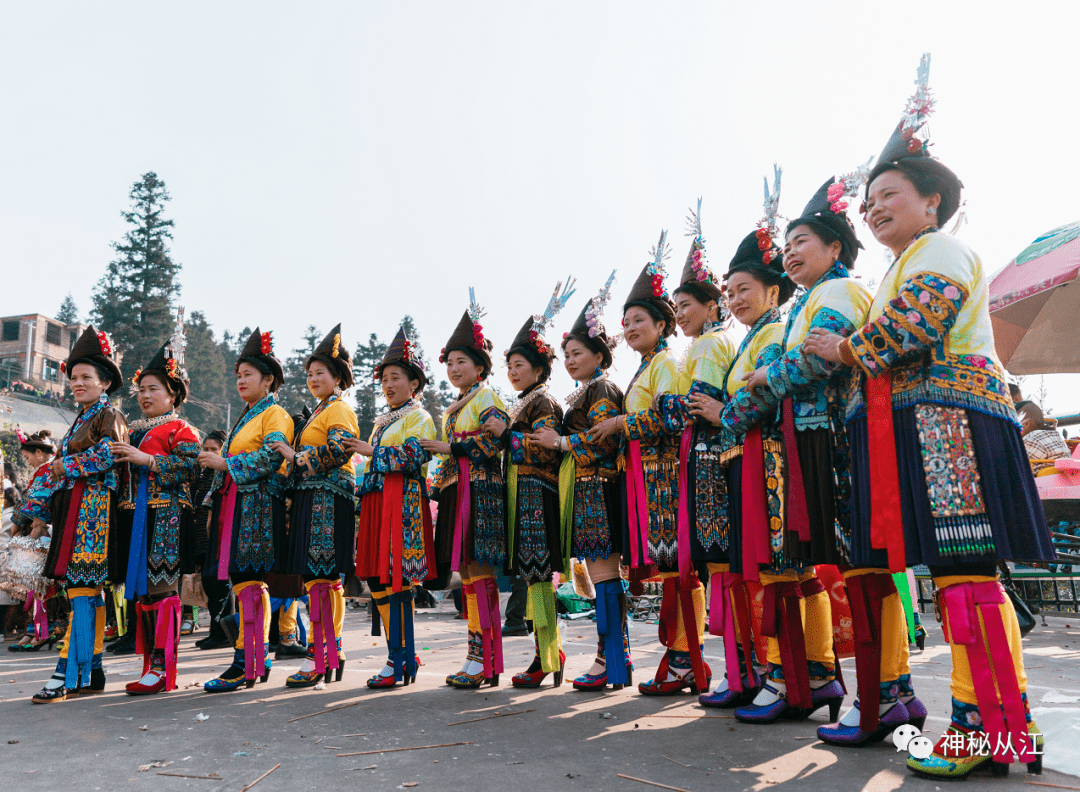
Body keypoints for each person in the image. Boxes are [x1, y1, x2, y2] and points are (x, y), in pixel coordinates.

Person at [802, 54, 1055, 779]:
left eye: (889, 195)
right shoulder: (904, 260)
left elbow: (910, 329)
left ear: (932, 202)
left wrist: (844, 347)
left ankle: (991, 728)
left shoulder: (937, 250)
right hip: (932, 426)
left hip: (951, 427)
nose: (874, 207)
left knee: (965, 574)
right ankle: (997, 723)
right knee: (959, 575)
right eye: (869, 201)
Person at [725, 167, 878, 731]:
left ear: (835, 246)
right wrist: (759, 386)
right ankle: (819, 679)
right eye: (786, 245)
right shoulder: (806, 305)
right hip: (804, 444)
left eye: (801, 242)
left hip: (834, 439)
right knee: (821, 565)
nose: (790, 254)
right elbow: (792, 367)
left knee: (853, 566)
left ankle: (867, 688)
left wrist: (762, 382)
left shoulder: (838, 291)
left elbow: (815, 361)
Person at [590, 232, 711, 696]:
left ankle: (685, 657)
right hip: (643, 475)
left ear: (662, 325)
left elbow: (673, 413)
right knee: (669, 570)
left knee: (680, 569)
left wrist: (623, 422)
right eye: (625, 321)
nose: (628, 327)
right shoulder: (644, 367)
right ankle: (679, 655)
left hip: (664, 475)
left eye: (638, 319)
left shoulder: (665, 364)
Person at [532, 272, 631, 690]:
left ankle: (610, 662)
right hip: (586, 493)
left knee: (606, 578)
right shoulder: (585, 392)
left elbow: (605, 439)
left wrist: (561, 443)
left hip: (599, 490)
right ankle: (607, 659)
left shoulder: (603, 389)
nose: (570, 360)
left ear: (599, 355)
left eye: (577, 353)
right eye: (566, 354)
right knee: (601, 579)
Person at [24, 326, 128, 703]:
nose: (76, 383)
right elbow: (61, 467)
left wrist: (65, 465)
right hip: (75, 509)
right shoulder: (80, 420)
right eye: (73, 378)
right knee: (85, 591)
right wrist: (35, 512)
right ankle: (92, 668)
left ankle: (66, 671)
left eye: (86, 377)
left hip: (95, 512)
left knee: (83, 590)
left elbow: (111, 455)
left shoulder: (110, 415)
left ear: (105, 382)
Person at [484, 279, 575, 688]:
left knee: (538, 576)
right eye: (510, 366)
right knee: (531, 576)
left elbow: (544, 449)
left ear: (539, 370)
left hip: (537, 495)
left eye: (520, 365)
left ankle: (547, 656)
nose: (513, 371)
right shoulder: (524, 401)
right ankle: (548, 653)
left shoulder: (544, 402)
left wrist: (506, 435)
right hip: (521, 497)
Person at [420, 290, 510, 689]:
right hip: (460, 490)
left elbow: (495, 442)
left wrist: (451, 447)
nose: (454, 368)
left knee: (480, 574)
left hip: (482, 491)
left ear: (480, 367)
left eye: (462, 362)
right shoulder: (460, 402)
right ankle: (478, 656)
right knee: (469, 575)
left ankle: (486, 658)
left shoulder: (487, 397)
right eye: (450, 362)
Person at [110, 317, 202, 695]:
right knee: (144, 592)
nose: (145, 395)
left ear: (173, 393)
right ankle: (150, 664)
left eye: (154, 388)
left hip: (165, 514)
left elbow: (190, 467)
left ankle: (164, 668)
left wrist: (146, 460)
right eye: (141, 389)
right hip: (134, 516)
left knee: (163, 589)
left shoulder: (182, 430)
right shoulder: (130, 429)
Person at [200, 328, 293, 692]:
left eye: (247, 375)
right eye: (238, 375)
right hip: (236, 505)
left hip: (256, 506)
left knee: (250, 581)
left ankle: (249, 660)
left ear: (268, 379)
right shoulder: (247, 415)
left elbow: (273, 455)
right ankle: (252, 658)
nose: (240, 381)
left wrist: (225, 465)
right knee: (242, 581)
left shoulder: (275, 414)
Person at [351, 326, 437, 689]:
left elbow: (414, 455)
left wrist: (371, 452)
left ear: (413, 383)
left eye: (395, 378)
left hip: (401, 504)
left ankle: (399, 656)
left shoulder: (419, 417)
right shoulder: (381, 422)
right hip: (376, 502)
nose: (388, 384)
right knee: (375, 578)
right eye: (384, 379)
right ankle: (399, 652)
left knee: (397, 579)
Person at [275, 325, 359, 688]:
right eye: (309, 373)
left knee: (322, 577)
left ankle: (320, 656)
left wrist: (296, 457)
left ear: (337, 377)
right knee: (318, 579)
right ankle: (330, 652)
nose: (312, 379)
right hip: (313, 497)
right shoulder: (321, 411)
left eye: (320, 373)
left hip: (327, 496)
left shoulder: (339, 409)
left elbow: (342, 448)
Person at [8, 431, 58, 653]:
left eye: (27, 457)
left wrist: (16, 522)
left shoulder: (47, 472)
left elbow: (35, 503)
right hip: (35, 530)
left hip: (42, 532)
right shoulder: (40, 472)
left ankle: (43, 631)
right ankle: (35, 630)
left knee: (40, 583)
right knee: (34, 584)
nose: (26, 461)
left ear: (39, 452)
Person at [194, 430, 233, 650]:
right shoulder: (201, 474)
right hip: (202, 537)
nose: (207, 453)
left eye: (213, 450)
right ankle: (215, 632)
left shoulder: (222, 473)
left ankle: (223, 634)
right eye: (205, 449)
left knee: (220, 584)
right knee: (209, 584)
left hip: (218, 534)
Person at [1017, 401, 1070, 474]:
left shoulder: (1032, 438)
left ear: (1026, 424)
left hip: (1040, 480)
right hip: (1064, 476)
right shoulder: (1056, 435)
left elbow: (1020, 464)